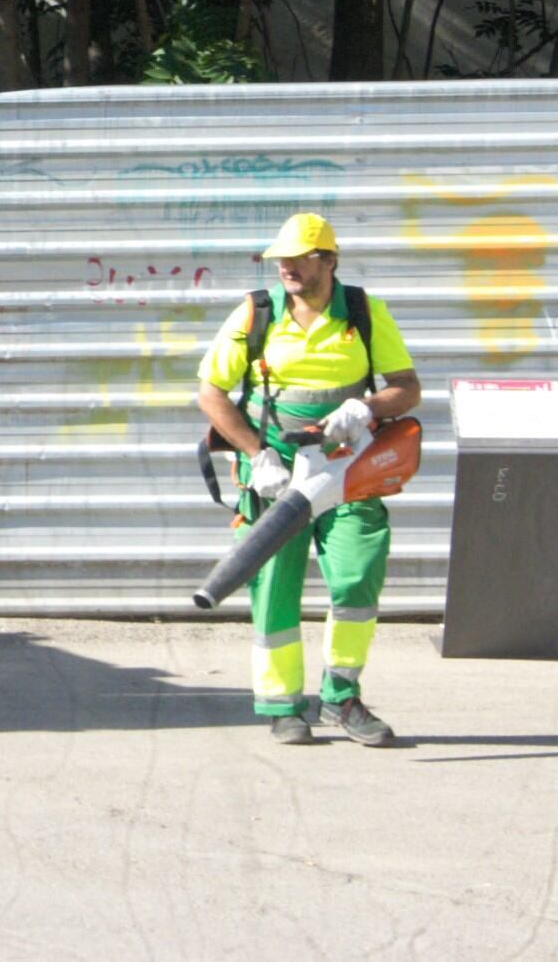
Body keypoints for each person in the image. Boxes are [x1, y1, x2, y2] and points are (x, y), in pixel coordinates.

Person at [196, 213, 421, 747]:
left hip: (348, 468)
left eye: (299, 258)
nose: (288, 268)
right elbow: (212, 393)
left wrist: (365, 409)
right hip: (276, 474)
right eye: (281, 260)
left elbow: (407, 389)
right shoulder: (257, 313)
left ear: (329, 260)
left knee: (357, 576)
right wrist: (258, 454)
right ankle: (281, 705)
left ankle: (342, 697)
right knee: (274, 585)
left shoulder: (364, 312)